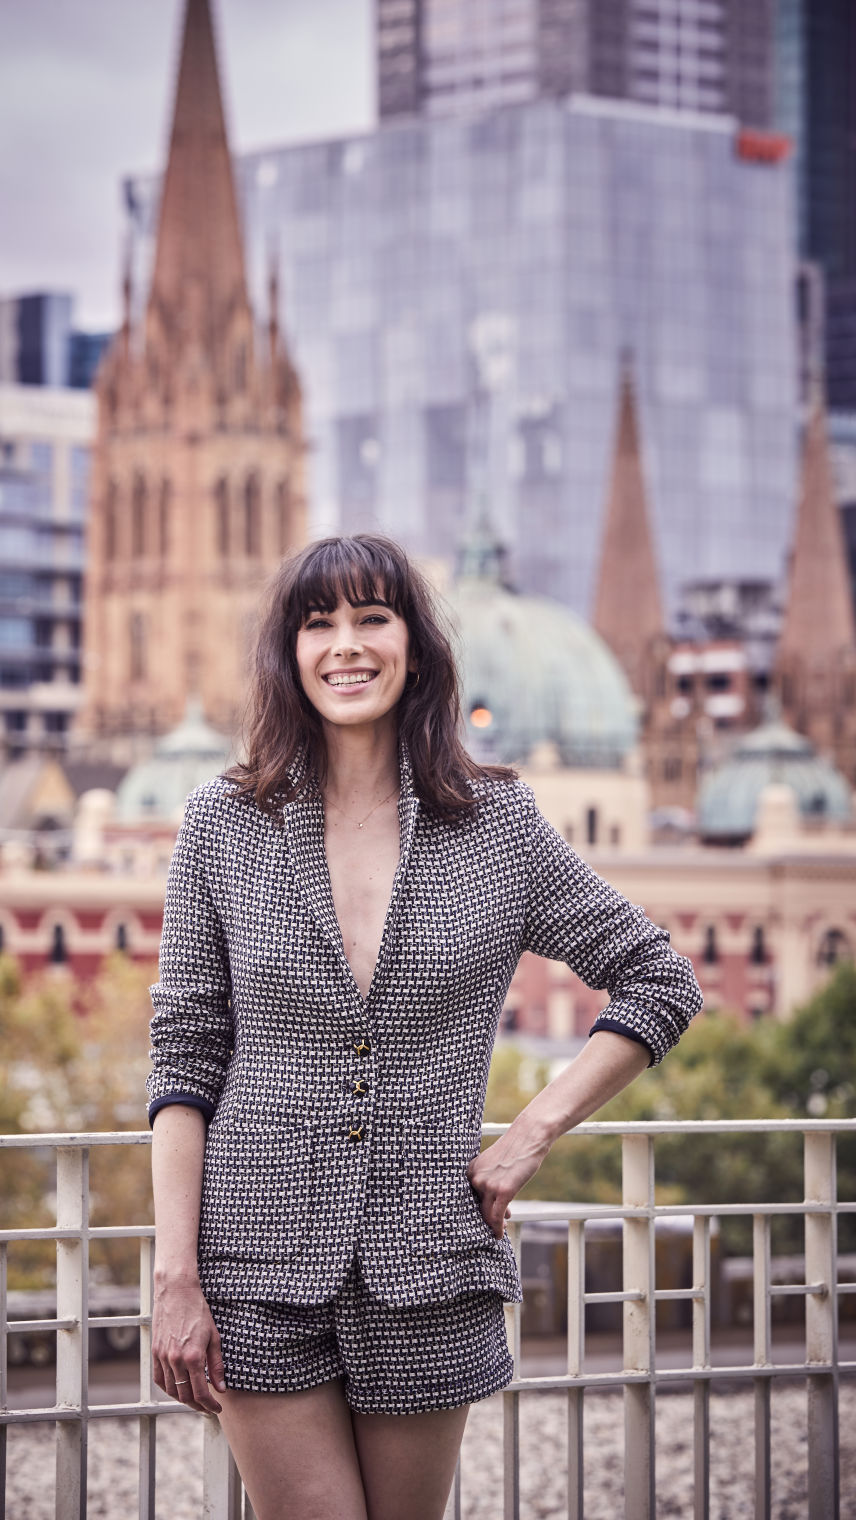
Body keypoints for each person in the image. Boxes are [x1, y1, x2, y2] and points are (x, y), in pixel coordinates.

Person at [147, 533, 702, 1520]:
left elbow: (659, 978)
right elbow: (185, 1054)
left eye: (371, 617)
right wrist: (175, 1275)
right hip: (253, 1266)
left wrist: (530, 1132)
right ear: (290, 651)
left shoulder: (495, 826)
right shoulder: (221, 823)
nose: (344, 645)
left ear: (414, 644)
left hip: (429, 1267)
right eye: (317, 622)